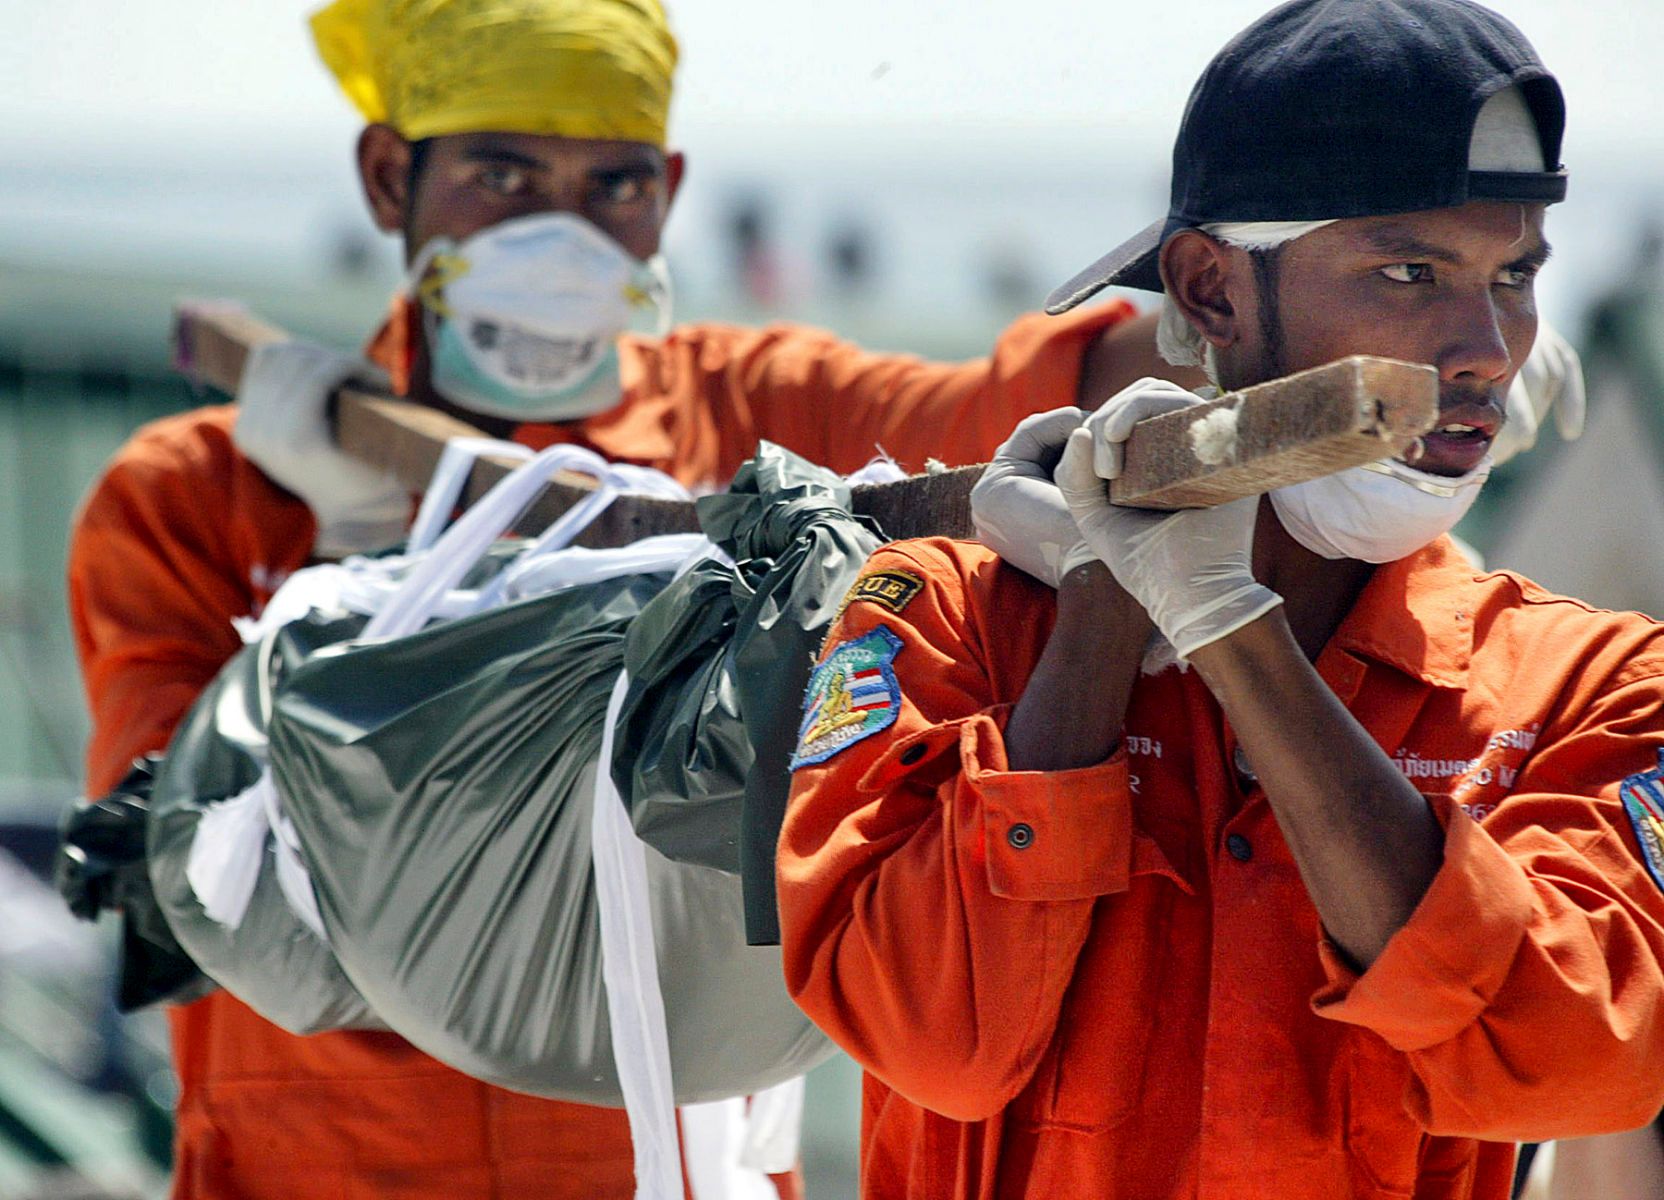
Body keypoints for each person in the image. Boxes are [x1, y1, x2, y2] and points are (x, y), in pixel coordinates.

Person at [64, 1, 1195, 1196]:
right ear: (390, 175)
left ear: (667, 187)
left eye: (611, 186)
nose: (561, 229)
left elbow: (1035, 390)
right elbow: (182, 870)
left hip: (666, 1155)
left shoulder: (750, 423)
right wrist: (359, 571)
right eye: (501, 174)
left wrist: (1261, 279)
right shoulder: (195, 497)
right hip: (330, 1159)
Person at [776, 2, 1664, 1197]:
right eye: (1409, 272)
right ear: (1208, 291)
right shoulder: (940, 620)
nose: (1484, 349)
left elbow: (1574, 1060)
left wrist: (1225, 627)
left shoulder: (1586, 683)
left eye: (1511, 277)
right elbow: (936, 1034)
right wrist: (1100, 607)